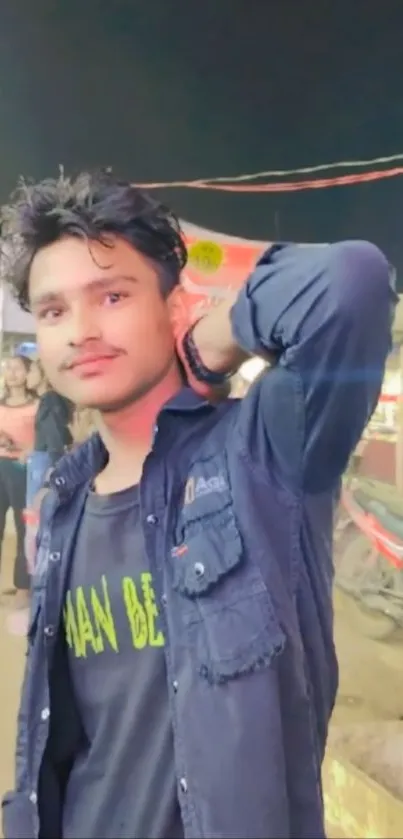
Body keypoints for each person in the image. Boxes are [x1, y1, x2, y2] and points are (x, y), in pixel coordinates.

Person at [1, 171, 395, 839]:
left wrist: (208, 342)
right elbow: (57, 737)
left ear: (172, 305)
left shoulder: (265, 452)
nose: (81, 331)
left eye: (113, 294)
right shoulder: (65, 498)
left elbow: (349, 283)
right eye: (54, 310)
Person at [23, 359, 74, 572]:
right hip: (42, 462)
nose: (28, 375)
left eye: (32, 370)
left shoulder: (50, 400)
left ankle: (39, 581)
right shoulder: (53, 400)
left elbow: (55, 441)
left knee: (36, 527)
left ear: (43, 374)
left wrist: (50, 475)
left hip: (44, 467)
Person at [0, 354, 37, 606]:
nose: (11, 372)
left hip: (22, 470)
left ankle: (23, 587)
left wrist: (28, 451)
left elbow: (46, 439)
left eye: (17, 368)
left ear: (27, 373)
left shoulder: (39, 405)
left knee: (24, 528)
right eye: (7, 368)